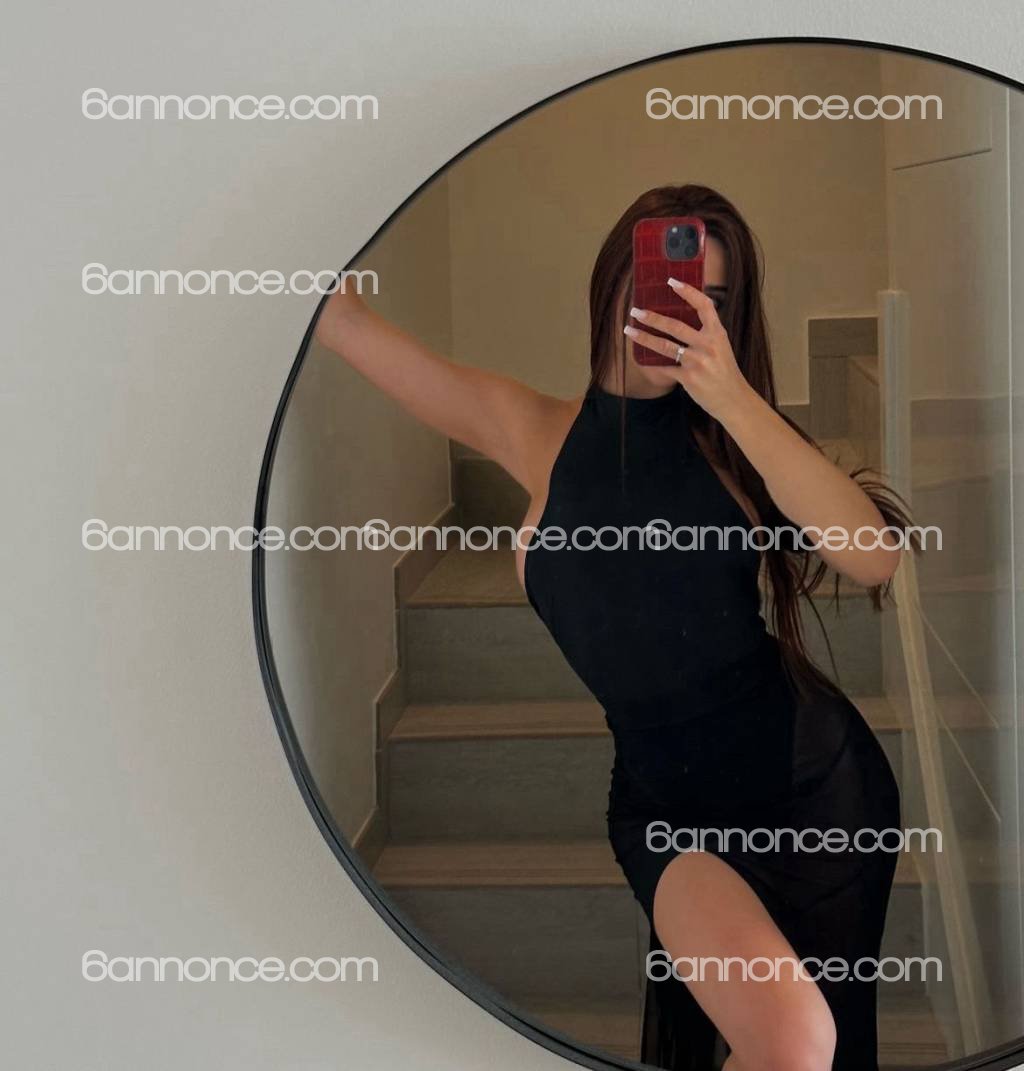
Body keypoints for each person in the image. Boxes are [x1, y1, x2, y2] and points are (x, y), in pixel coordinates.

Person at [315, 183, 913, 1071]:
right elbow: (343, 323)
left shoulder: (735, 444)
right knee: (796, 1039)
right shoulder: (532, 430)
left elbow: (874, 556)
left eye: (708, 298)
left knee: (813, 1046)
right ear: (613, 282)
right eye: (660, 283)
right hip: (665, 810)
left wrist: (734, 397)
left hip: (815, 793)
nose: (676, 309)